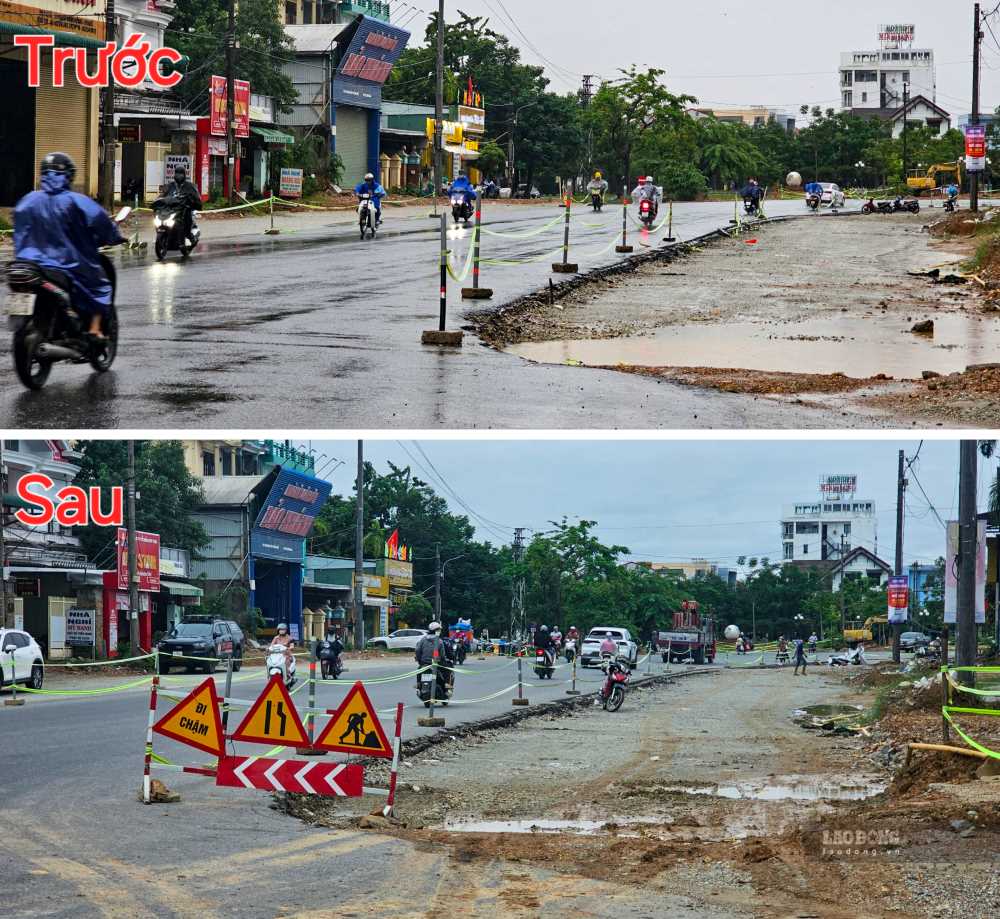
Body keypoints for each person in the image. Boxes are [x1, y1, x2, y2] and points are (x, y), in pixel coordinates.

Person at [13, 152, 125, 339]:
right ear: (69, 176)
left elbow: (19, 229)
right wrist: (114, 236)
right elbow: (102, 224)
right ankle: (95, 330)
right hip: (66, 263)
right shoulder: (76, 201)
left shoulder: (27, 201)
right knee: (100, 286)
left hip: (27, 263)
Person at [162, 164, 202, 247]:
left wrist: (193, 203)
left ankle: (191, 237)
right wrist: (157, 202)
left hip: (185, 210)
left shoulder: (190, 186)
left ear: (184, 175)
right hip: (171, 210)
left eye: (180, 173)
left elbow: (197, 198)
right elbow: (163, 196)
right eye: (177, 173)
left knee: (186, 221)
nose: (178, 175)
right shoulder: (170, 186)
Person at [415, 621, 450, 697]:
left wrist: (419, 660)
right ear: (436, 631)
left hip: (424, 663)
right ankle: (446, 686)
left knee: (419, 670)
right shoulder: (439, 641)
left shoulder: (423, 640)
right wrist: (443, 660)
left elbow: (417, 650)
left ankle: (418, 684)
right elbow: (442, 655)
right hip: (436, 663)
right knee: (447, 670)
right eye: (439, 630)